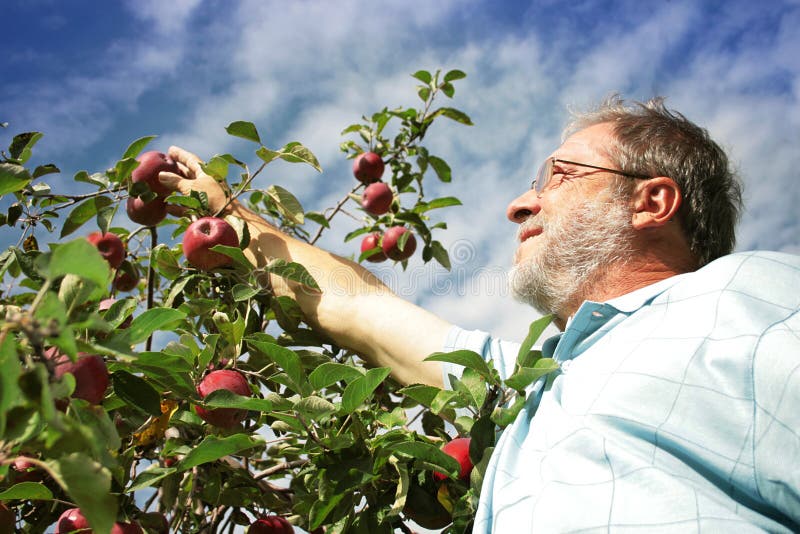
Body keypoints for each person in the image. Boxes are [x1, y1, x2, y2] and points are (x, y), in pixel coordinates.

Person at [159, 96, 800, 532]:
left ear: (651, 201)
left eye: (560, 176)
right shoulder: (521, 393)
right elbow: (357, 306)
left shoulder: (753, 298)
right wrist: (230, 221)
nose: (520, 205)